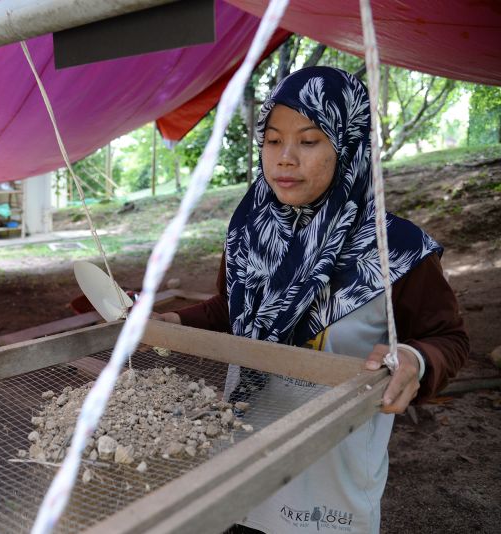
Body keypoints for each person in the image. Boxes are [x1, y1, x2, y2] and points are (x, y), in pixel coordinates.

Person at [153, 66, 468, 533]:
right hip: (242, 457)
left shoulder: (395, 250)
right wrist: (173, 321)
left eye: (309, 140)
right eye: (273, 140)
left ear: (348, 146)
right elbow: (233, 309)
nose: (284, 158)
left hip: (328, 486)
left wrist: (415, 359)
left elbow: (449, 338)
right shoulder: (249, 234)